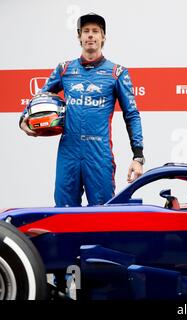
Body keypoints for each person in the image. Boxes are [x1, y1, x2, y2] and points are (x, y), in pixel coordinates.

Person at [19, 13, 145, 207]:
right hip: (68, 152)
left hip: (99, 153)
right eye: (86, 31)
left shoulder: (117, 72)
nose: (90, 35)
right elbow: (39, 98)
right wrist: (24, 119)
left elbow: (132, 115)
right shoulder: (64, 69)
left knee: (102, 215)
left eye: (96, 31)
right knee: (63, 213)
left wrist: (138, 156)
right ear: (79, 37)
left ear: (103, 37)